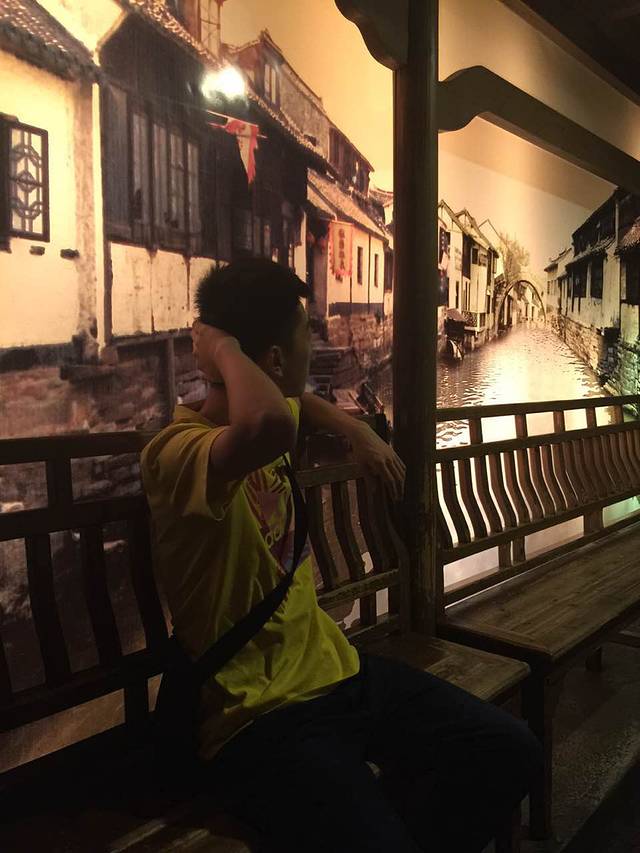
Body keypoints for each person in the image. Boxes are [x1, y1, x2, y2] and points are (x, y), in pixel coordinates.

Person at [141, 258, 542, 853]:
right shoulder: (176, 453)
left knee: (510, 749)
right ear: (274, 361)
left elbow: (295, 408)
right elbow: (270, 422)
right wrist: (221, 347)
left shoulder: (268, 413)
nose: (318, 344)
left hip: (338, 674)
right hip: (257, 718)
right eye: (306, 335)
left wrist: (360, 432)